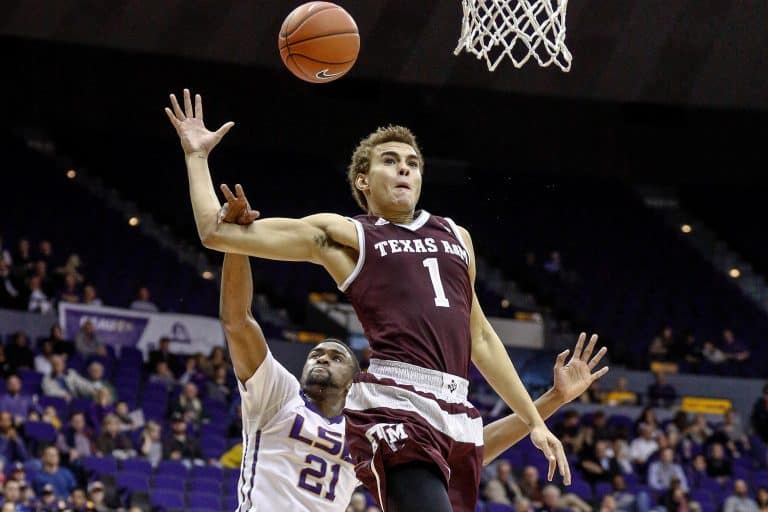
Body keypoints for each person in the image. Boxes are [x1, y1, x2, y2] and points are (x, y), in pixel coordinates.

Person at [167, 88, 580, 512]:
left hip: (455, 406)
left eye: (413, 164)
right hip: (394, 401)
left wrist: (535, 420)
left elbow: (482, 339)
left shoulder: (458, 237)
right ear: (363, 180)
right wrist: (197, 158)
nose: (404, 169)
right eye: (390, 161)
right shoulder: (348, 235)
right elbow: (212, 233)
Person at [215, 247, 607, 511]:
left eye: (336, 356)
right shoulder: (277, 398)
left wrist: (553, 399)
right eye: (317, 354)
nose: (322, 358)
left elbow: (471, 448)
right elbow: (238, 321)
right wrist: (237, 243)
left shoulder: (367, 427)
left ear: (354, 381)